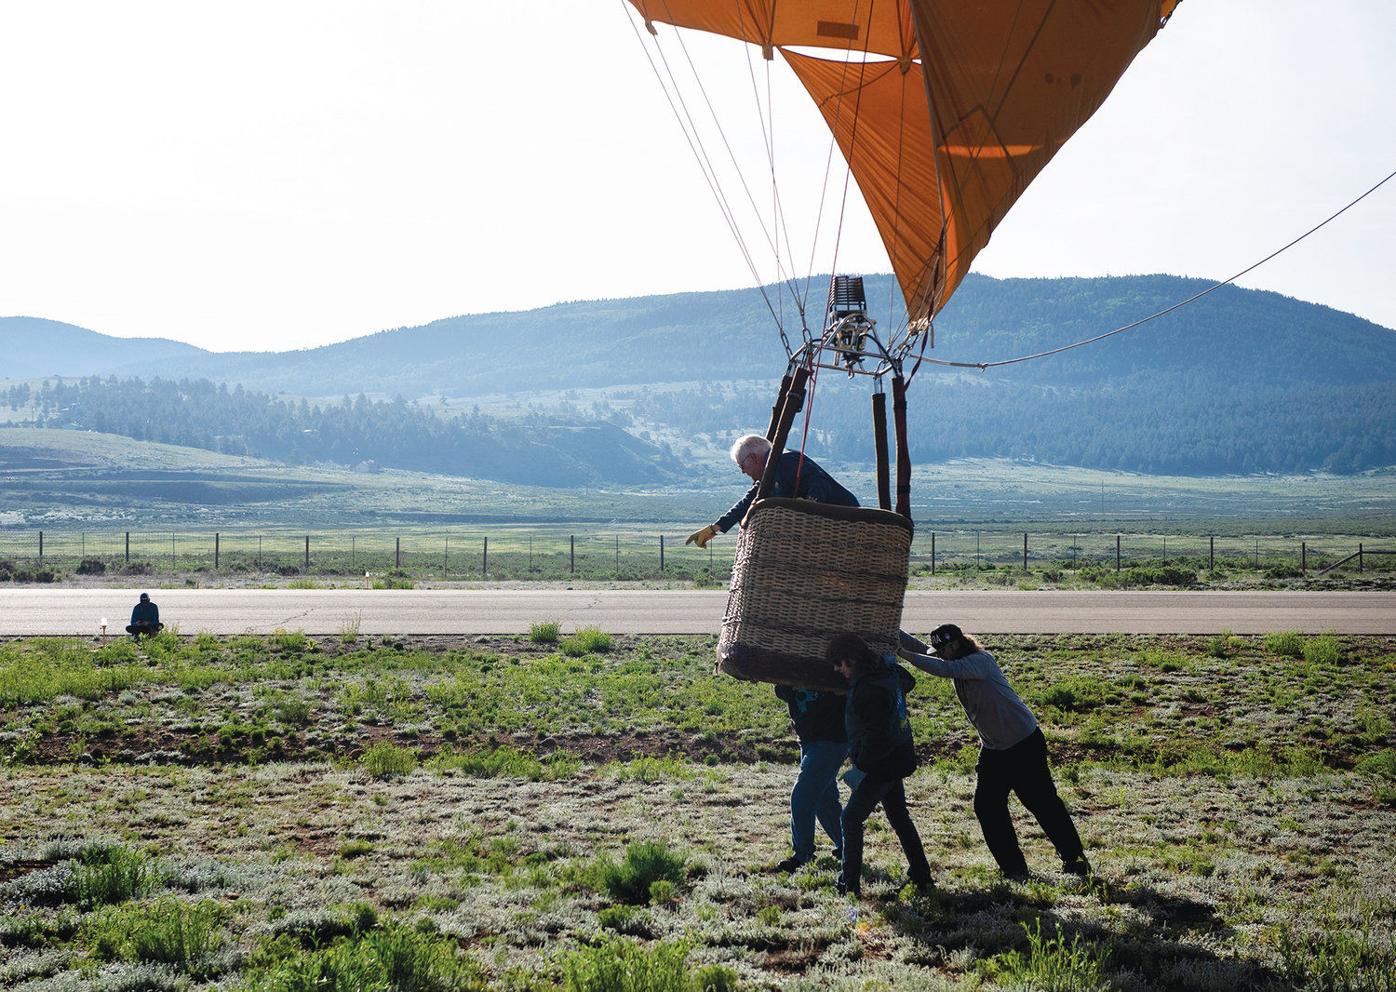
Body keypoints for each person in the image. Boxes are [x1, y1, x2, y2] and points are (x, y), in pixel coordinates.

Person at [898, 625, 1090, 880]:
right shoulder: (953, 657)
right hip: (994, 748)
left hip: (1023, 744)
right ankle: (1014, 870)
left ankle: (1074, 861)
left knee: (1042, 804)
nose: (939, 655)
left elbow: (944, 669)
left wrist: (901, 653)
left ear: (955, 645)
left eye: (943, 650)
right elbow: (925, 652)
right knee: (987, 807)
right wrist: (892, 632)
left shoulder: (979, 661)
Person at [826, 632, 934, 897]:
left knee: (850, 819)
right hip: (899, 756)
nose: (838, 670)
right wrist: (889, 665)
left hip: (882, 765)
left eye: (840, 664)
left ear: (851, 659)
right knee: (899, 817)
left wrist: (861, 765)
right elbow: (910, 681)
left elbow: (877, 736)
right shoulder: (886, 676)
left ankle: (849, 885)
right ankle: (922, 875)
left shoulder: (867, 689)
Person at [685, 434, 858, 548]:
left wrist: (809, 503)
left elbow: (819, 481)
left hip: (847, 520)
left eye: (742, 466)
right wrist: (714, 528)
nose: (743, 472)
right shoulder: (768, 474)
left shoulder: (784, 459)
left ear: (752, 458)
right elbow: (747, 502)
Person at [771, 684, 862, 872]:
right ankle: (848, 848)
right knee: (824, 800)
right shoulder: (789, 667)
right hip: (808, 739)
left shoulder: (828, 666)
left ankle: (802, 854)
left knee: (802, 796)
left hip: (831, 739)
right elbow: (782, 691)